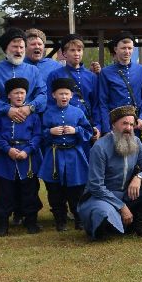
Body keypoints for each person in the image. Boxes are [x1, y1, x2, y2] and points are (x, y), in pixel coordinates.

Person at [79, 106, 142, 240]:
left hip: (127, 194)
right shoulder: (99, 147)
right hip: (102, 197)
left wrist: (139, 177)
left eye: (132, 124)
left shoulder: (136, 142)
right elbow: (96, 186)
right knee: (102, 212)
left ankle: (138, 223)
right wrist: (121, 206)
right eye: (124, 123)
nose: (129, 128)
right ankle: (107, 225)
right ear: (113, 125)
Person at [0, 77, 43, 236]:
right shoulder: (0, 115)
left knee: (29, 191)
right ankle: (2, 224)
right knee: (5, 193)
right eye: (16, 93)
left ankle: (31, 221)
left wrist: (28, 150)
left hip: (27, 158)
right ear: (9, 95)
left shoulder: (33, 115)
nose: (19, 96)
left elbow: (37, 135)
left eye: (22, 93)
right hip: (6, 159)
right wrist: (8, 149)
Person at [38, 76, 93, 231]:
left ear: (71, 95)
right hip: (54, 156)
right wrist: (50, 132)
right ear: (53, 95)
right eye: (60, 93)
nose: (64, 96)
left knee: (76, 190)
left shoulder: (78, 112)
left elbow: (88, 131)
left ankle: (79, 219)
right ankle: (60, 220)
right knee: (55, 190)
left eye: (66, 94)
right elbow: (40, 134)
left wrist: (76, 130)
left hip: (74, 156)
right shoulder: (47, 113)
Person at [97, 34, 142, 138]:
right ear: (116, 49)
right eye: (123, 48)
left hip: (136, 124)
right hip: (115, 125)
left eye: (130, 48)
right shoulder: (106, 72)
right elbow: (103, 102)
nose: (127, 51)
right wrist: (107, 129)